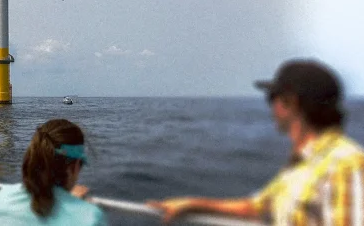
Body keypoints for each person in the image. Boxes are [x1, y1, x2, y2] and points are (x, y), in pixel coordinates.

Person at [148, 58, 364, 225]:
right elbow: (261, 207)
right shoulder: (303, 163)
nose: (271, 109)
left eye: (272, 99)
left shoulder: (345, 163)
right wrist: (192, 204)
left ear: (290, 102)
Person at [0, 118, 107, 225]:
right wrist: (72, 203)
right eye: (81, 164)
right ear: (74, 167)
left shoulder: (4, 198)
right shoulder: (90, 217)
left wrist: (64, 198)